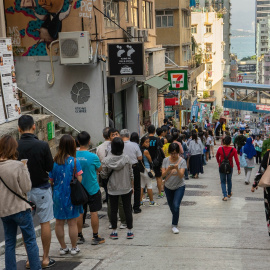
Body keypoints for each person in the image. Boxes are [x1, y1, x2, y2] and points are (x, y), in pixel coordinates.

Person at [17, 115, 55, 268]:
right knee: (45, 222)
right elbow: (50, 167)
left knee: (27, 225)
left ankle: (29, 259)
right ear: (34, 127)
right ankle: (45, 258)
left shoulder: (15, 146)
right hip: (41, 188)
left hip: (22, 192)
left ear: (19, 129)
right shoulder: (43, 145)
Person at [0, 135, 42, 270]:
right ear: (13, 148)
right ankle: (36, 267)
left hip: (4, 210)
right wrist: (25, 169)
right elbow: (26, 187)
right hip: (20, 209)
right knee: (30, 241)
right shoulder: (18, 165)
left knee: (10, 242)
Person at [49, 135, 83, 255]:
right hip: (71, 196)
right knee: (72, 222)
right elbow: (79, 179)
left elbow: (51, 180)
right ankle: (74, 247)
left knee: (59, 222)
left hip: (58, 195)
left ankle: (63, 247)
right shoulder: (74, 161)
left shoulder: (54, 162)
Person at [100, 137, 134, 240]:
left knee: (113, 210)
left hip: (112, 188)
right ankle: (129, 232)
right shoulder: (126, 158)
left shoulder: (106, 160)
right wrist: (132, 186)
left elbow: (104, 175)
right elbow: (131, 174)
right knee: (127, 208)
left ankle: (114, 232)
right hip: (126, 187)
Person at [76, 132, 105, 245]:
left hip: (79, 189)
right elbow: (100, 169)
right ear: (89, 141)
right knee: (94, 212)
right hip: (92, 188)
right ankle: (95, 236)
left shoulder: (74, 156)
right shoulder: (93, 156)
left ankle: (79, 236)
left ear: (78, 141)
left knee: (80, 212)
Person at [162, 143, 186, 234]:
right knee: (171, 206)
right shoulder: (165, 160)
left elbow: (181, 176)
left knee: (176, 205)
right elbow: (163, 175)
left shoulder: (182, 161)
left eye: (175, 153)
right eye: (172, 153)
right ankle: (175, 216)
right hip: (168, 186)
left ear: (178, 153)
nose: (174, 155)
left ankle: (174, 225)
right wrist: (168, 169)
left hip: (179, 186)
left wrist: (177, 168)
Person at [120, 129, 143, 214]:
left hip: (123, 167)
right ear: (128, 136)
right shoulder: (135, 145)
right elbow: (140, 157)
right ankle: (136, 207)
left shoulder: (119, 144)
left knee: (126, 188)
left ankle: (127, 207)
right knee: (137, 187)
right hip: (134, 166)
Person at [216, 136, 241, 201]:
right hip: (230, 167)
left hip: (221, 167)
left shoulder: (220, 149)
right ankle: (229, 193)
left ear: (224, 141)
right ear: (230, 142)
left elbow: (217, 156)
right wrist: (238, 168)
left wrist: (219, 162)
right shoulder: (233, 150)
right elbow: (236, 160)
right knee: (229, 180)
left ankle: (225, 196)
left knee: (223, 181)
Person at [252, 149, 270, 236]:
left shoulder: (268, 154)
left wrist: (255, 184)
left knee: (269, 209)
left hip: (269, 187)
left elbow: (262, 169)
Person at [139, 136, 159, 207]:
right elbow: (150, 160)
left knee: (142, 186)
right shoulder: (146, 151)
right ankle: (152, 202)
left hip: (141, 170)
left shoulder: (139, 150)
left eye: (148, 142)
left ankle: (140, 202)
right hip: (147, 169)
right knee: (149, 185)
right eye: (146, 142)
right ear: (142, 142)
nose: (148, 143)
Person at [148, 125, 165, 199]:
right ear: (154, 131)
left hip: (148, 161)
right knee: (158, 177)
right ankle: (159, 193)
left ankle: (148, 194)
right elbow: (161, 149)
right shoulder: (157, 140)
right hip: (157, 161)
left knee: (147, 178)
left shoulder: (144, 139)